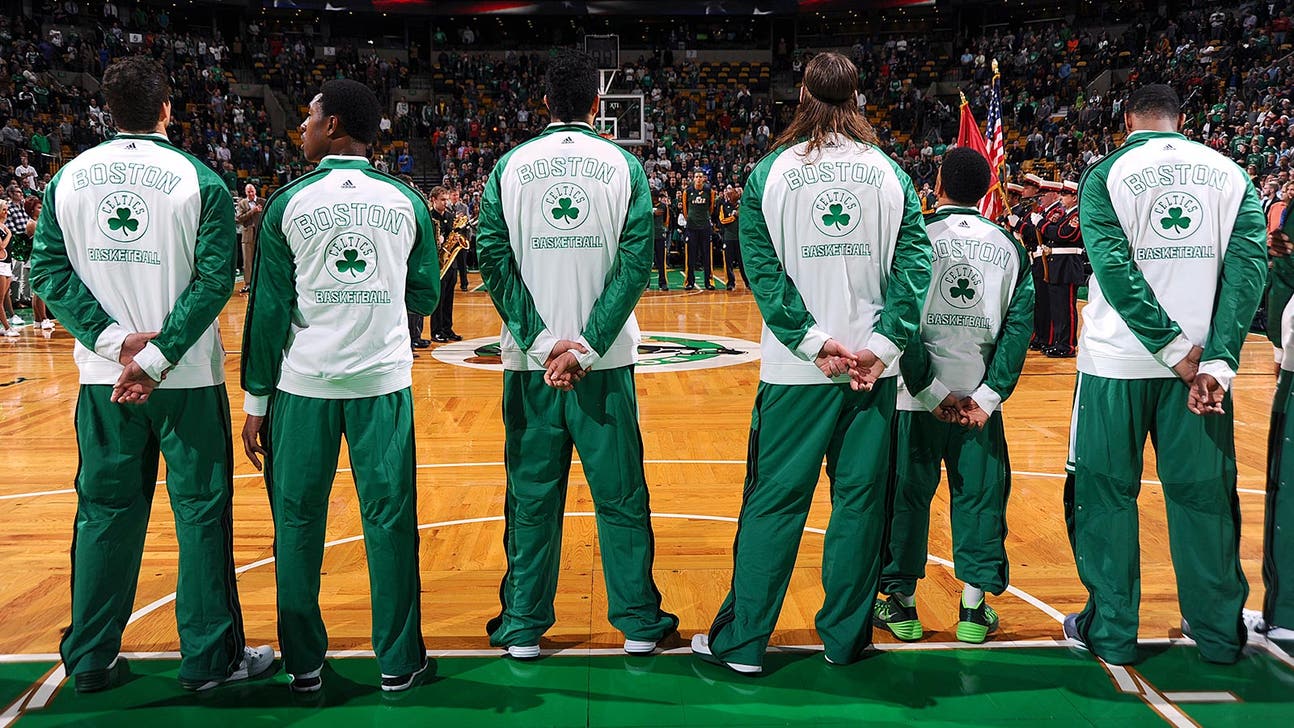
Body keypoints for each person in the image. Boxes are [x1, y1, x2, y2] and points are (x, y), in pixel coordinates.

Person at [29, 55, 272, 694]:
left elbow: (49, 273)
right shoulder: (200, 180)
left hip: (102, 381)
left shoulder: (68, 179)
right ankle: (209, 661)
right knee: (200, 513)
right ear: (168, 108)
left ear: (108, 111)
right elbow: (216, 276)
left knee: (104, 512)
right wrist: (157, 358)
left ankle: (90, 660)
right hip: (186, 380)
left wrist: (114, 344)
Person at [692, 51, 931, 673]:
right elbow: (916, 268)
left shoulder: (768, 174)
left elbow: (763, 275)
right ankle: (846, 641)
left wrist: (810, 340)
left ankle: (744, 643)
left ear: (803, 94)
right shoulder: (890, 174)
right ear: (857, 97)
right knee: (859, 509)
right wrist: (880, 348)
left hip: (798, 374)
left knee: (774, 503)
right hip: (869, 376)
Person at [476, 48, 678, 660]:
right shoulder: (624, 167)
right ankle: (640, 622)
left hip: (529, 367)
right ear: (598, 105)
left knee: (531, 498)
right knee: (620, 495)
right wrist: (587, 345)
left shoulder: (508, 168)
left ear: (545, 104)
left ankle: (522, 627)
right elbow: (636, 262)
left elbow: (493, 258)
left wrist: (541, 343)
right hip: (605, 366)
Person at [240, 78, 440, 693]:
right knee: (390, 520)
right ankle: (399, 663)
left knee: (297, 523)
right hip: (383, 385)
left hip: (303, 388)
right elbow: (427, 294)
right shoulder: (407, 200)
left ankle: (304, 665)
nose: (300, 127)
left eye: (308, 117)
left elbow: (268, 313)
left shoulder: (287, 204)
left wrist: (254, 403)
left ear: (333, 128)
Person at [1064, 84, 1267, 665]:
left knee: (1104, 496)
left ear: (1128, 119)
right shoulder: (1231, 174)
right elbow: (1248, 270)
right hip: (1202, 378)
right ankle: (1219, 634)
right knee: (1205, 497)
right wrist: (1217, 361)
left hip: (1115, 364)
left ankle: (1112, 634)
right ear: (1182, 120)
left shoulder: (1105, 175)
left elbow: (1114, 270)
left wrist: (1172, 350)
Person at [875, 147, 1034, 644]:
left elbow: (901, 320)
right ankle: (972, 609)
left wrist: (929, 389)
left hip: (913, 398)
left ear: (938, 183)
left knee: (906, 498)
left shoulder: (914, 237)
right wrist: (988, 396)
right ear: (989, 189)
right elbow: (1018, 327)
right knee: (980, 498)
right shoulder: (1011, 246)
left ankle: (901, 604)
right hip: (978, 406)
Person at [1038, 180, 1084, 358]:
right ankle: (1058, 342)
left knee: (1066, 309)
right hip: (1058, 265)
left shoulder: (1076, 215)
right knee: (1058, 309)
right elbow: (1055, 232)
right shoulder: (1065, 216)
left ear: (1074, 197)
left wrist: (1042, 225)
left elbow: (1063, 234)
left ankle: (1068, 345)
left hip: (1068, 265)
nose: (1062, 198)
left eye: (1065, 195)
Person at [428, 186, 460, 342]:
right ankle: (436, 331)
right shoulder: (430, 217)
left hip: (450, 264)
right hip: (437, 265)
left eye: (447, 199)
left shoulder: (450, 216)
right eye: (442, 199)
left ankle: (447, 329)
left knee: (449, 299)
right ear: (433, 200)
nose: (445, 202)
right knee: (439, 300)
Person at [682, 170, 715, 290]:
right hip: (691, 227)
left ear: (704, 178)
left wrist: (705, 218)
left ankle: (709, 282)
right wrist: (689, 219)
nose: (699, 179)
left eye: (701, 177)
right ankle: (689, 282)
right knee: (690, 256)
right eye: (696, 177)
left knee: (707, 256)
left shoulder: (709, 191)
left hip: (705, 227)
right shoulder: (688, 191)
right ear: (693, 179)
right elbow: (685, 209)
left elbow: (711, 208)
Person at [234, 183, 263, 295]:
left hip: (260, 235)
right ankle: (248, 284)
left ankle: (261, 283)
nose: (251, 194)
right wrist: (253, 211)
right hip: (247, 236)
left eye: (252, 191)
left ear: (255, 191)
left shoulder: (262, 201)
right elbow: (239, 219)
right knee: (247, 261)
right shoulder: (242, 203)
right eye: (248, 192)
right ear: (245, 193)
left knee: (261, 260)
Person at [718, 185, 748, 291]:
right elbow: (722, 220)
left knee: (743, 262)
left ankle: (748, 283)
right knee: (728, 262)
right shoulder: (724, 206)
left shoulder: (742, 206)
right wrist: (733, 217)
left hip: (740, 238)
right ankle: (730, 283)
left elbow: (746, 219)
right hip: (729, 237)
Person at [0, 204, 15, 338]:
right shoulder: (4, 229)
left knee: (4, 297)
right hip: (0, 265)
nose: (6, 212)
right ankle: (7, 327)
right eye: (4, 209)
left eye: (6, 209)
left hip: (7, 265)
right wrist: (9, 234)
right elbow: (1, 246)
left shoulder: (4, 226)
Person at [652, 189, 672, 290]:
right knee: (648, 262)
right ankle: (646, 284)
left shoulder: (663, 206)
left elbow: (666, 220)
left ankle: (663, 282)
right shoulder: (647, 205)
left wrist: (664, 230)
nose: (654, 198)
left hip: (659, 236)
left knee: (661, 261)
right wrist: (653, 213)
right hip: (649, 236)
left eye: (656, 197)